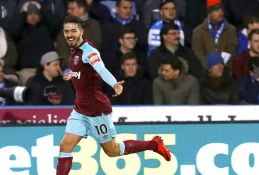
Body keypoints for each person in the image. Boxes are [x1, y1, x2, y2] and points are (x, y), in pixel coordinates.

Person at [56, 16, 171, 175]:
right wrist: (74, 75)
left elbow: (101, 69)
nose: (69, 34)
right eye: (66, 31)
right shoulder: (74, 51)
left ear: (81, 31)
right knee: (65, 145)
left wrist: (114, 84)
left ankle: (154, 145)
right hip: (80, 109)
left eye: (73, 30)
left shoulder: (89, 51)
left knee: (112, 151)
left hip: (96, 110)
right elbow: (85, 73)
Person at [56, 0, 102, 68]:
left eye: (72, 9)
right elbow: (62, 50)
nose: (68, 11)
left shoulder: (94, 25)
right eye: (68, 8)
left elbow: (94, 47)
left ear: (81, 9)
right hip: (69, 68)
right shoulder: (64, 26)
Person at [192, 0, 237, 68]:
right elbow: (198, 53)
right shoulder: (198, 31)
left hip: (226, 69)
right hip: (205, 70)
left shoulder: (231, 30)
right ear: (209, 14)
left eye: (221, 10)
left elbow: (231, 51)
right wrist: (209, 67)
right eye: (216, 10)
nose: (220, 13)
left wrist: (221, 67)